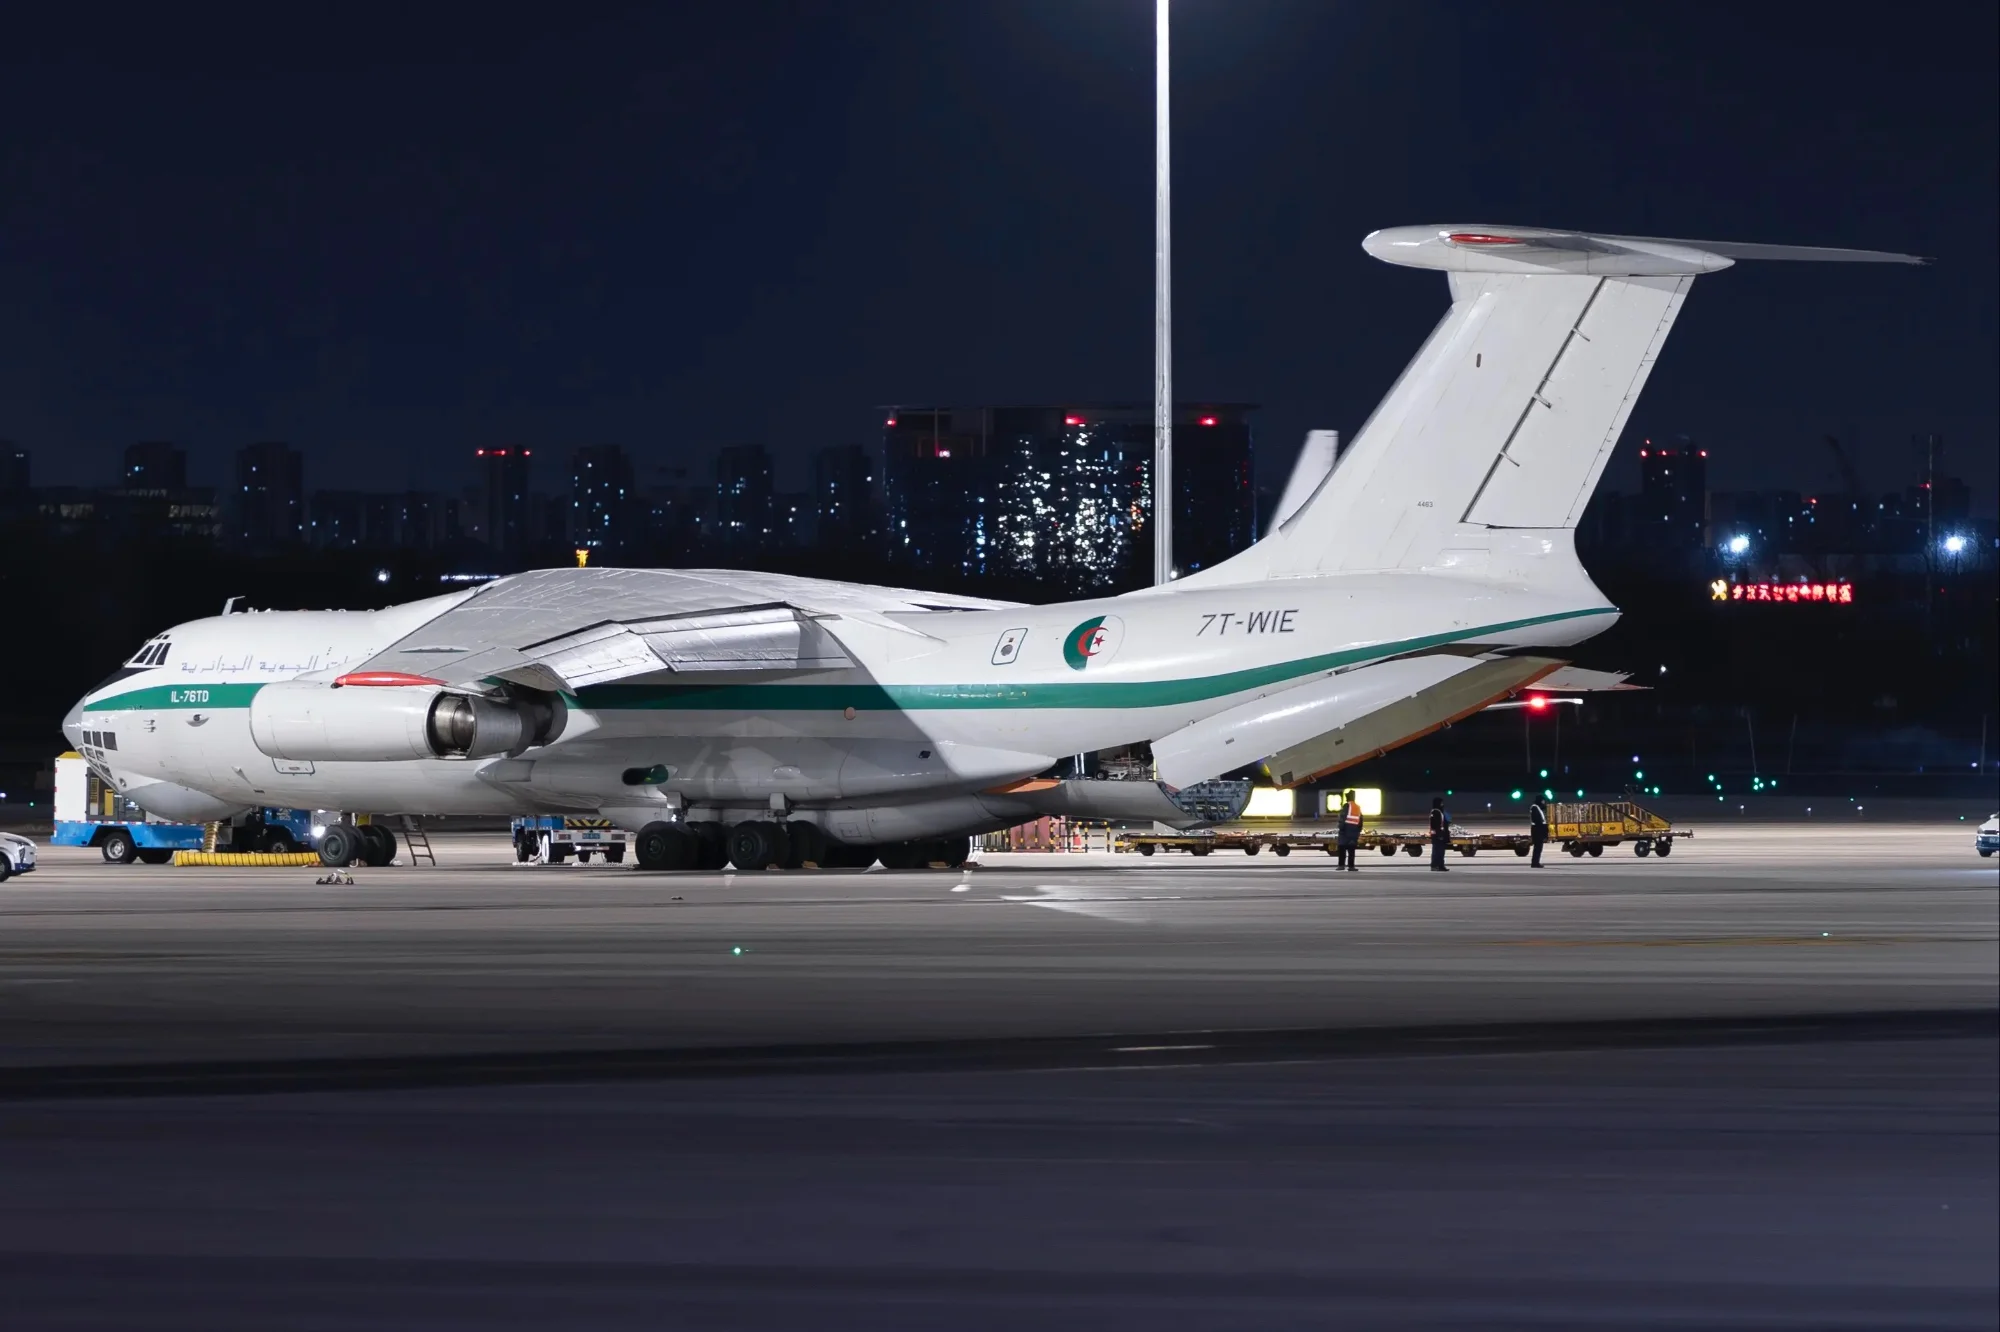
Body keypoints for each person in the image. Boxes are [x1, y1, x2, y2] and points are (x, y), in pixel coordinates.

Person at [1336, 790, 1363, 871]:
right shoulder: (1357, 807)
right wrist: (1358, 831)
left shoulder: (1346, 806)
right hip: (1354, 831)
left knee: (1342, 848)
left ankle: (1341, 865)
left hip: (1345, 830)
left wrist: (1340, 828)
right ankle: (1351, 866)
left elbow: (1342, 818)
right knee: (1351, 850)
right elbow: (1361, 820)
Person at [1429, 797, 1451, 871]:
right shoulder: (1436, 811)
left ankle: (1441, 866)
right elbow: (1435, 825)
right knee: (1437, 852)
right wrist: (1439, 834)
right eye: (1441, 803)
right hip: (1438, 836)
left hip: (1441, 835)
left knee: (1441, 852)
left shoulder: (1439, 811)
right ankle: (1435, 866)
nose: (1442, 804)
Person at [1528, 798, 1549, 867]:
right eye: (1542, 801)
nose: (1543, 803)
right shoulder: (1534, 807)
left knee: (1538, 848)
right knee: (1537, 848)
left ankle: (1535, 862)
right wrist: (1543, 827)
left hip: (1538, 829)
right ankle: (1535, 863)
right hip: (1537, 830)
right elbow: (1537, 820)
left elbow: (1544, 808)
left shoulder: (1537, 807)